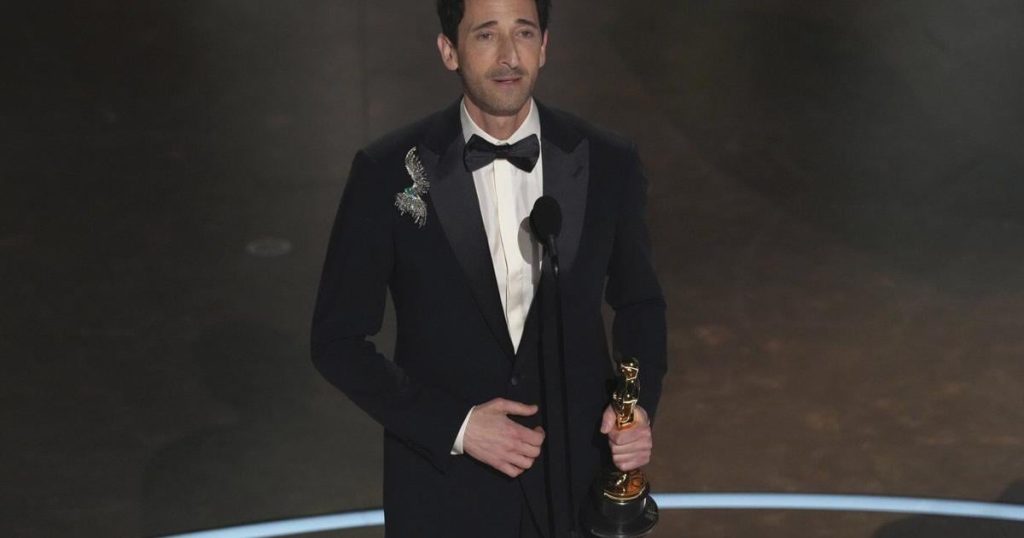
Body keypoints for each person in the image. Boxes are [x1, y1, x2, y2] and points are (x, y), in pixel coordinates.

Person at [310, 0, 666, 536]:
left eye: (523, 33)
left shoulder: (607, 161)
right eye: (485, 35)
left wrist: (635, 408)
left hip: (574, 488)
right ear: (448, 51)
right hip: (447, 493)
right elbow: (337, 340)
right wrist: (458, 426)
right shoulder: (386, 172)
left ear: (544, 46)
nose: (508, 56)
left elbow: (640, 303)